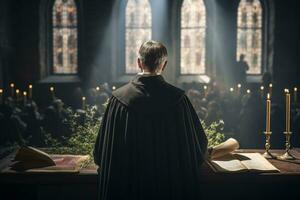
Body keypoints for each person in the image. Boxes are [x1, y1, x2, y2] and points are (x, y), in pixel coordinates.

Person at [93, 40, 208, 200]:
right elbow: (198, 146)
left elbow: (101, 152)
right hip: (168, 187)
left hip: (128, 188)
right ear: (164, 65)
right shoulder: (178, 100)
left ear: (139, 62)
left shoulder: (118, 100)